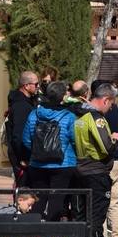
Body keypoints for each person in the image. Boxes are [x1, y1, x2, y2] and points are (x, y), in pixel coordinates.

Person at [72, 82, 118, 237]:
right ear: (105, 100)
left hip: (79, 169)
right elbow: (106, 147)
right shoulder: (97, 119)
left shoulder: (78, 117)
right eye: (111, 104)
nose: (110, 108)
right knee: (96, 216)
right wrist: (116, 140)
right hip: (96, 172)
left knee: (80, 214)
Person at [22, 81, 78, 222]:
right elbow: (75, 140)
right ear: (63, 97)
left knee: (39, 199)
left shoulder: (34, 114)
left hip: (38, 164)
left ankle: (35, 233)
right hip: (63, 164)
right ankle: (53, 234)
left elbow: (26, 139)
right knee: (57, 199)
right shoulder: (69, 116)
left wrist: (38, 151)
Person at [93, 79, 118, 237]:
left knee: (102, 202)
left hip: (101, 162)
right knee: (112, 202)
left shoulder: (90, 115)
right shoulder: (105, 115)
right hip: (111, 160)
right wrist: (117, 140)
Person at [5, 71, 40, 185]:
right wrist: (23, 158)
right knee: (25, 192)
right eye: (36, 84)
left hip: (24, 155)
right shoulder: (21, 105)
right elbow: (18, 135)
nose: (38, 87)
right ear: (26, 86)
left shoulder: (27, 102)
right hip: (21, 157)